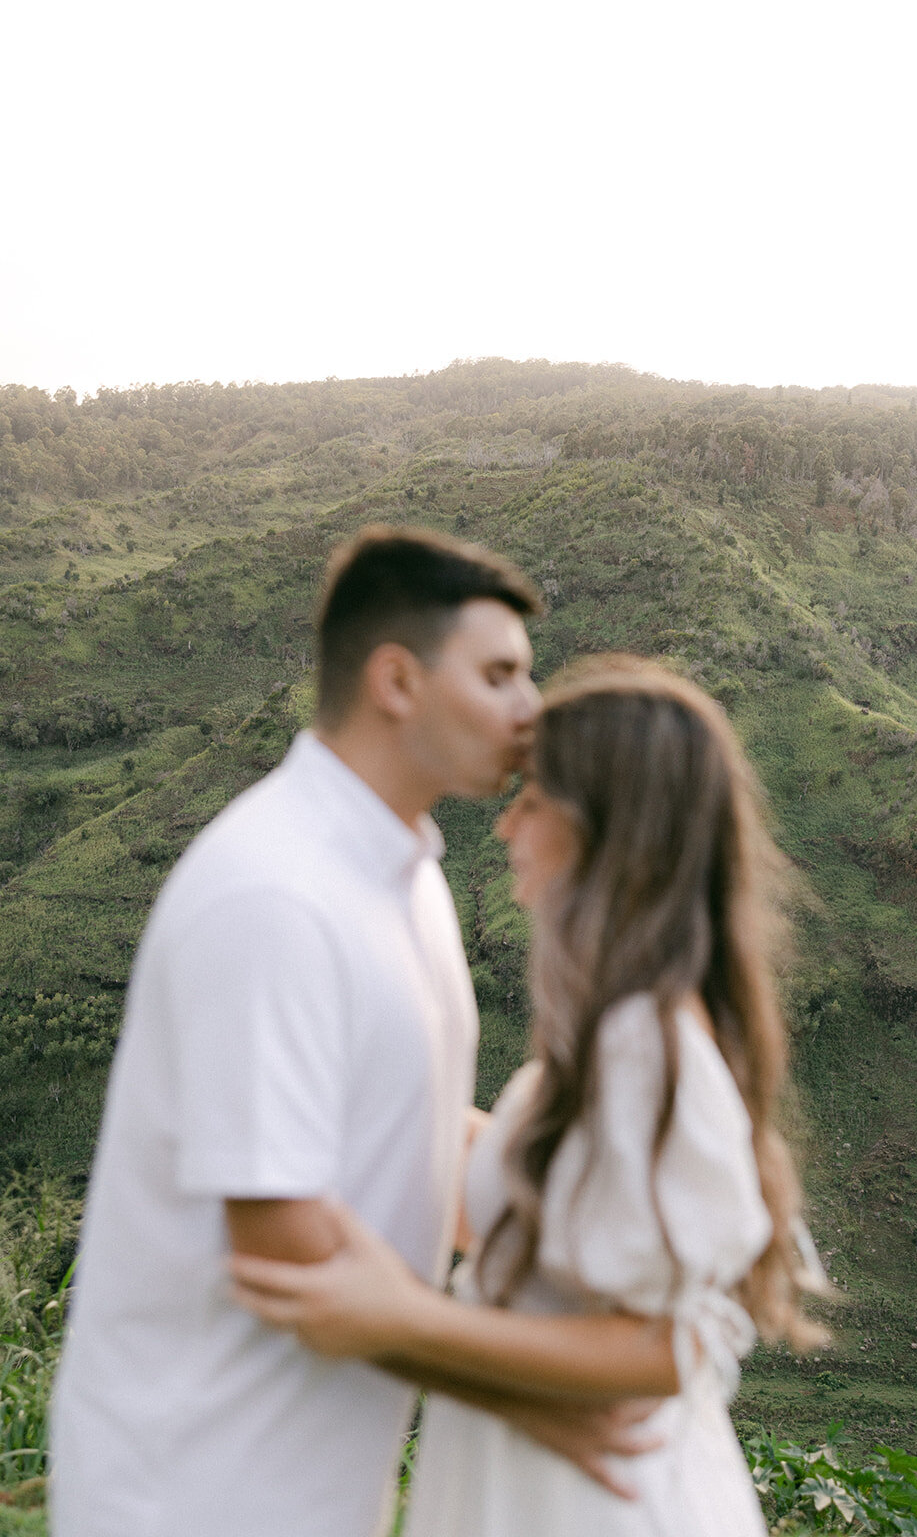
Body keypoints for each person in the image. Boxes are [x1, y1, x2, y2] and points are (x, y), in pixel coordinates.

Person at [51, 525, 577, 1537]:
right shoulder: (273, 893)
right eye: (501, 674)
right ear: (395, 679)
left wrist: (623, 1212)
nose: (530, 709)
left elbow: (409, 1131)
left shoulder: (408, 877)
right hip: (198, 1488)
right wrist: (534, 1391)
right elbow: (282, 1240)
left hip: (321, 1481)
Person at [231, 656, 825, 1537]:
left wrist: (405, 1321)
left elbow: (671, 1344)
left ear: (604, 832)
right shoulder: (620, 1032)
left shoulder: (641, 1044)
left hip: (600, 1501)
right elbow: (531, 1207)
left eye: (533, 800)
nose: (505, 824)